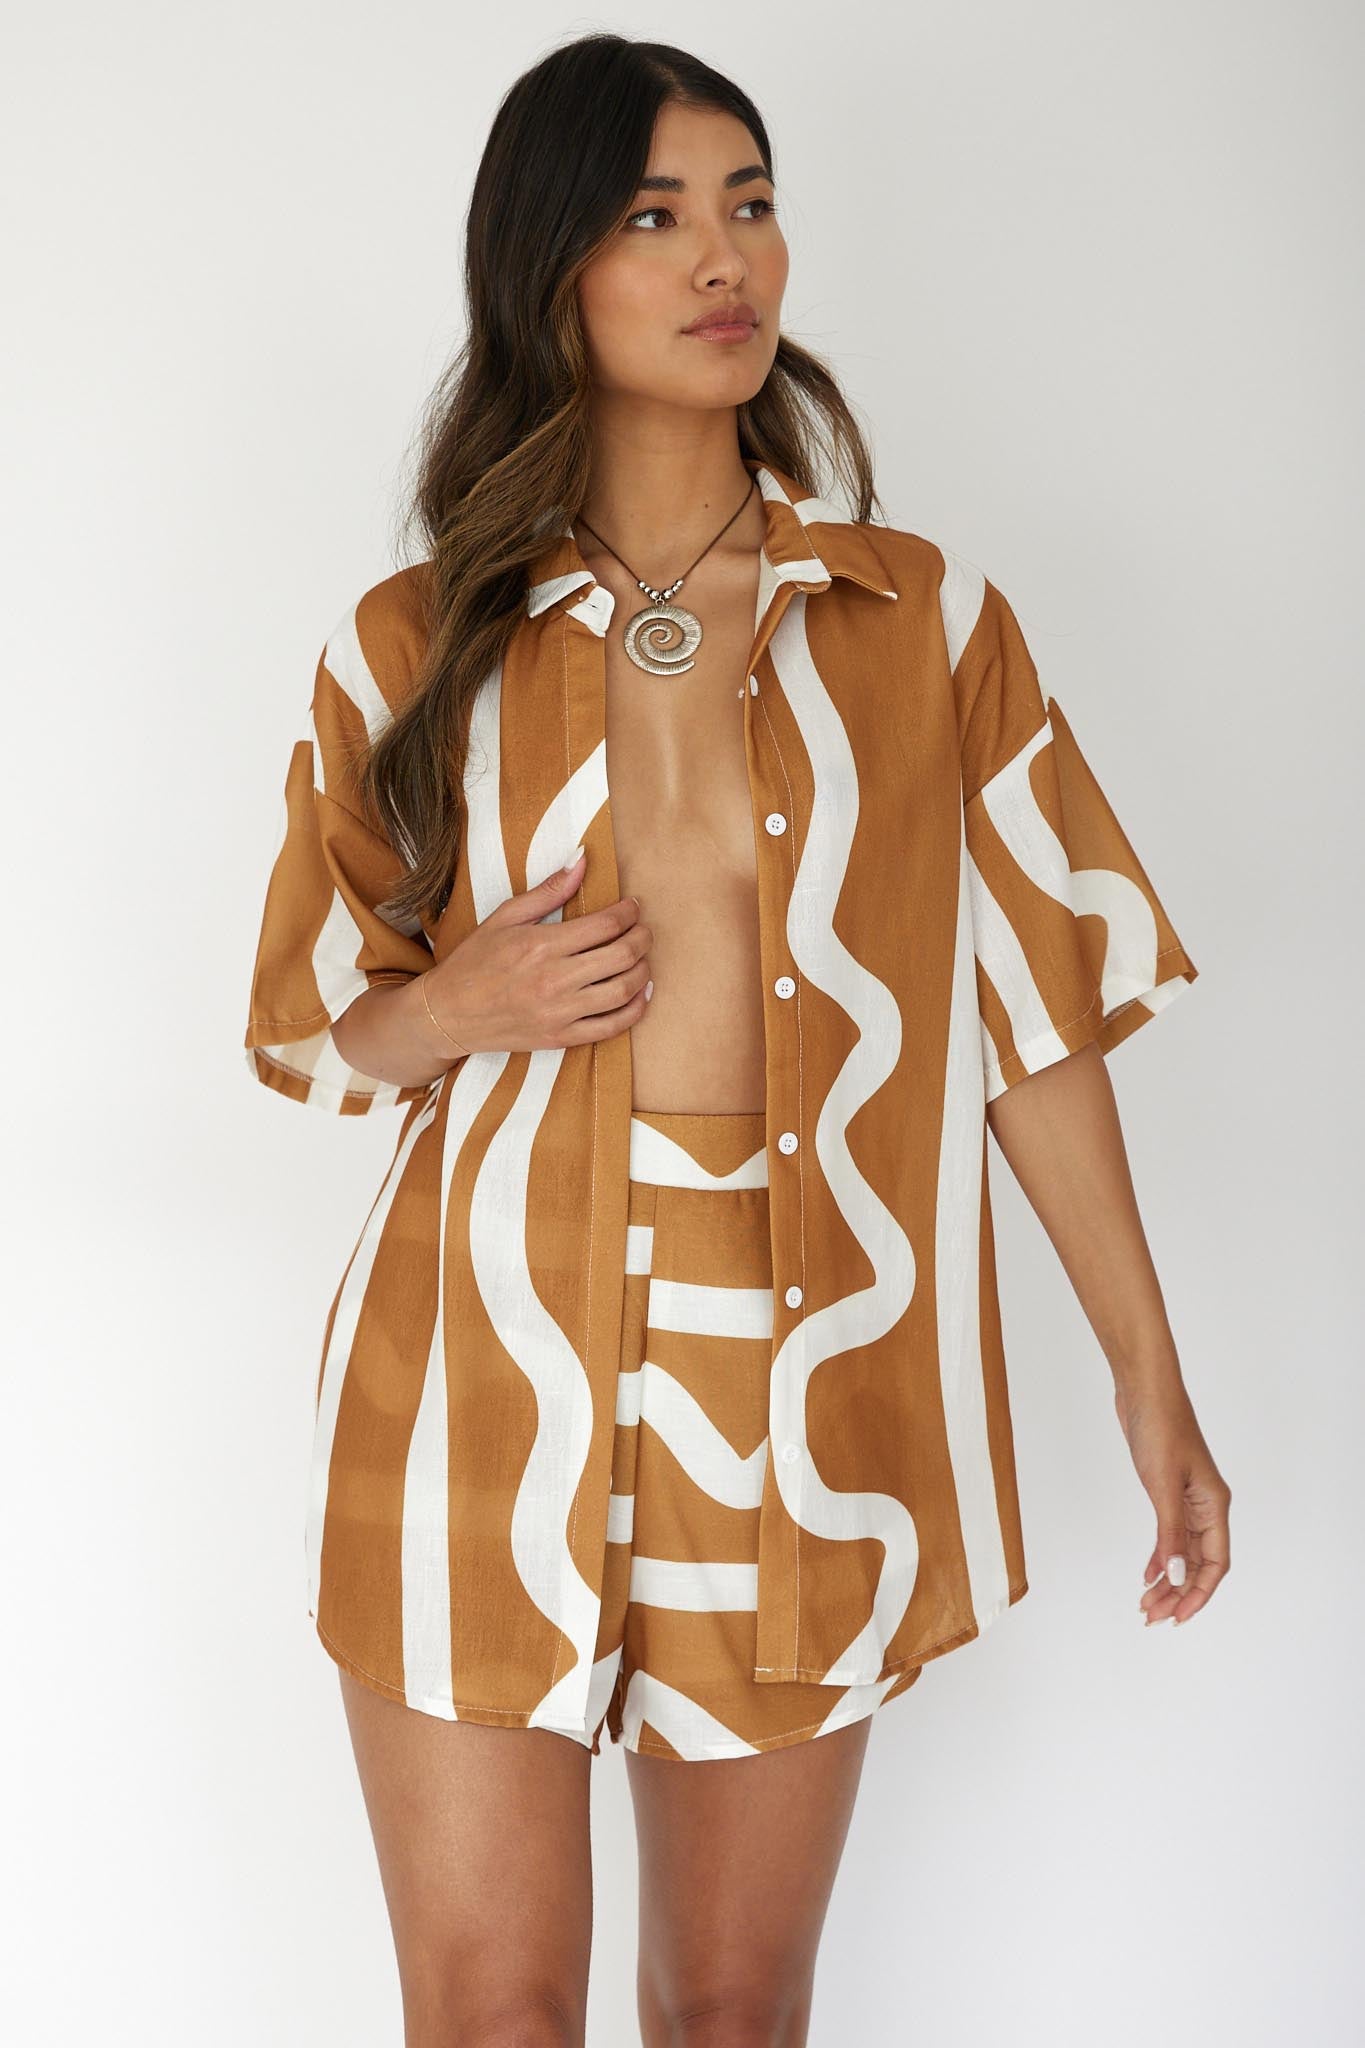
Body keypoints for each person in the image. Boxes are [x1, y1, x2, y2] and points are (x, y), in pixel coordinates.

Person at [241, 32, 1231, 2048]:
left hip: (804, 1385)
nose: (724, 258)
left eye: (749, 203)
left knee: (732, 2009)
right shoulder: (412, 645)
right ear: (547, 271)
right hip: (479, 1377)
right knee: (490, 2013)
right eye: (653, 214)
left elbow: (1040, 1021)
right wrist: (458, 1003)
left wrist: (1151, 1381)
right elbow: (306, 1031)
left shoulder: (924, 627)